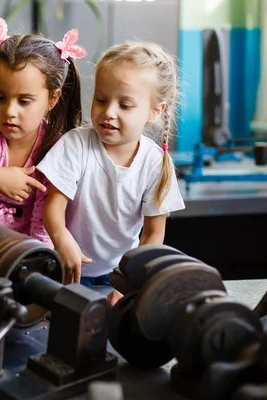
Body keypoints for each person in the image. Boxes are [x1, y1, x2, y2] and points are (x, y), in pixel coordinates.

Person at [38, 41, 185, 303]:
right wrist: (62, 240)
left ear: (155, 111)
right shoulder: (76, 144)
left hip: (119, 273)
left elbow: (152, 234)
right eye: (101, 99)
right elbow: (52, 209)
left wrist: (131, 280)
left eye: (125, 105)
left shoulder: (155, 163)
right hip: (65, 266)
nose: (108, 112)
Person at [0, 18, 86, 247]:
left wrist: (32, 262)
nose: (9, 112)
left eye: (24, 101)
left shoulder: (57, 147)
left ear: (52, 98)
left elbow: (43, 225)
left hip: (25, 255)